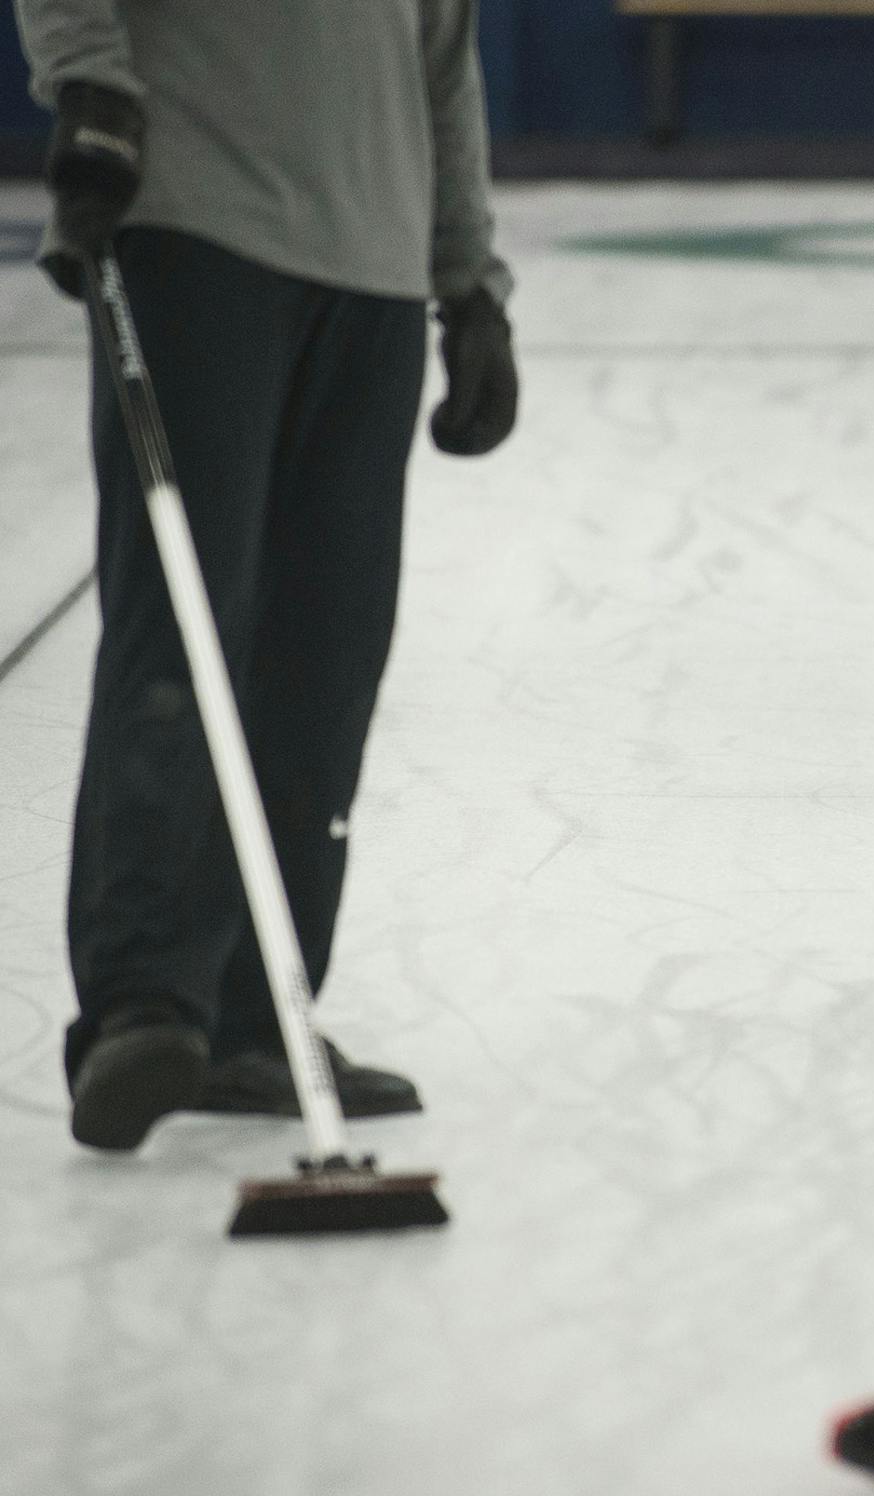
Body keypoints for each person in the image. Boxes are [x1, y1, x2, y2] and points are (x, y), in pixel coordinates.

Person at [17, 0, 520, 1151]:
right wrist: (91, 89)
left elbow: (443, 56)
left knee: (323, 659)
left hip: (376, 267)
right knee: (184, 627)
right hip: (198, 225)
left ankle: (256, 1018)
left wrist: (468, 276)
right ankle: (144, 1002)